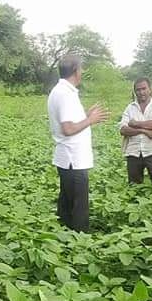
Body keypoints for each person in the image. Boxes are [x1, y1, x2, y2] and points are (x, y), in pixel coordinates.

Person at [47, 55, 109, 232]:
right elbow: (67, 128)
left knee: (66, 202)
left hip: (68, 158)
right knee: (79, 206)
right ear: (76, 70)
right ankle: (80, 243)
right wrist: (90, 119)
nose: (82, 72)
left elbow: (69, 122)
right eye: (81, 69)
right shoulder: (65, 94)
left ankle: (64, 238)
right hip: (73, 159)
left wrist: (85, 115)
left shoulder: (61, 91)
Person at [119, 77, 152, 186]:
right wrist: (144, 131)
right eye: (138, 90)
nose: (141, 92)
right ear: (135, 91)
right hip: (133, 151)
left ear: (150, 89)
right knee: (134, 186)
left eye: (144, 88)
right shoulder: (130, 108)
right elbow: (123, 130)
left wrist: (135, 124)